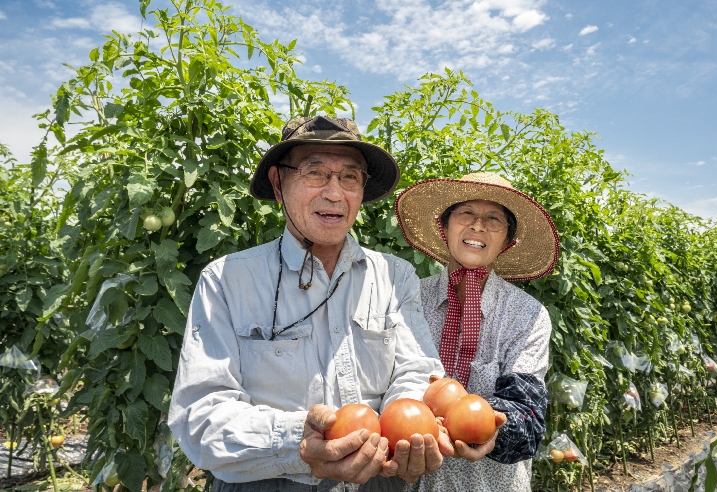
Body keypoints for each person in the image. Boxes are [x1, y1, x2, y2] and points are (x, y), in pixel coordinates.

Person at [168, 116, 452, 492]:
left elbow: (416, 372)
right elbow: (199, 417)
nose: (335, 194)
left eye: (350, 177)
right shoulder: (227, 281)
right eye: (314, 172)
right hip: (264, 482)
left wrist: (407, 431)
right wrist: (297, 441)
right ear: (278, 182)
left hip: (378, 481)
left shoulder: (395, 277)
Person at [395, 172, 558, 492]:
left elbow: (526, 413)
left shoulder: (527, 316)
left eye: (494, 219)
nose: (478, 225)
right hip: (407, 481)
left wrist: (493, 429)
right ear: (444, 227)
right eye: (466, 213)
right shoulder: (409, 300)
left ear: (508, 241)